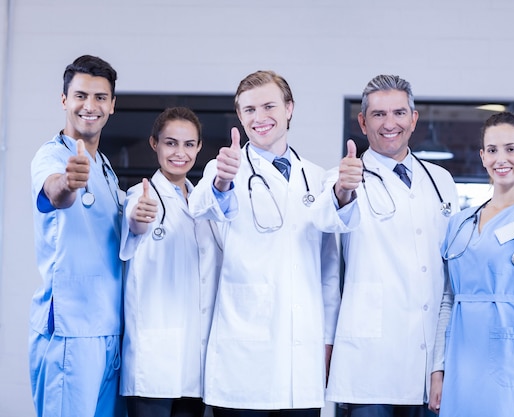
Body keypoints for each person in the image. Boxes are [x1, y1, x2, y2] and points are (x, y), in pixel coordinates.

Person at [188, 70, 345, 417]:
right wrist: (221, 182)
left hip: (301, 360)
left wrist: (328, 340)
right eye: (249, 110)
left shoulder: (318, 178)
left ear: (289, 108)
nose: (259, 118)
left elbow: (329, 272)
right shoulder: (226, 167)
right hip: (244, 359)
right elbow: (199, 207)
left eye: (269, 106)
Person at [324, 74, 459, 417]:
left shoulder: (440, 181)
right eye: (378, 114)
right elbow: (329, 217)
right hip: (369, 367)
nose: (389, 124)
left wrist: (441, 363)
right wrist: (343, 191)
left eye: (399, 113)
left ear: (413, 119)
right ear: (362, 122)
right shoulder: (344, 177)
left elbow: (448, 280)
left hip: (427, 365)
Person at [428, 112, 514, 417]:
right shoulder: (460, 222)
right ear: (483, 157)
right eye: (493, 150)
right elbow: (448, 299)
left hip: (509, 352)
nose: (502, 158)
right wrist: (438, 369)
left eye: (511, 149)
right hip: (461, 352)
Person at [29, 55, 125, 417]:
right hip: (70, 328)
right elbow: (56, 192)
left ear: (112, 105)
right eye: (81, 95)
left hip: (109, 327)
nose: (91, 105)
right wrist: (68, 182)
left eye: (101, 97)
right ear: (64, 99)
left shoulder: (105, 167)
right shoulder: (51, 156)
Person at [119, 107, 221, 417]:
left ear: (199, 147)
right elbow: (135, 223)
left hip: (197, 365)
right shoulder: (140, 197)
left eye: (189, 144)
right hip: (154, 365)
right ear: (155, 144)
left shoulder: (206, 202)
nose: (180, 153)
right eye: (170, 143)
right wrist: (139, 218)